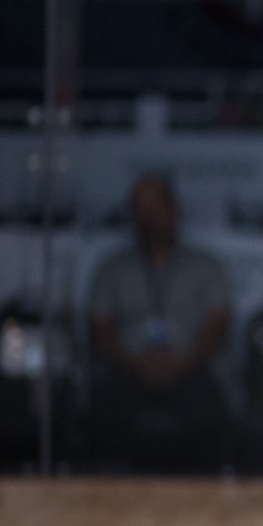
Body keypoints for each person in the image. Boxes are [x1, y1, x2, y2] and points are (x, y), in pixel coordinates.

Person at [86, 174, 232, 469]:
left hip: (189, 368)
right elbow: (100, 330)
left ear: (174, 210)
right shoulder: (113, 268)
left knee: (209, 408)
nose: (148, 216)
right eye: (140, 208)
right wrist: (137, 363)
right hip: (129, 369)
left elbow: (218, 327)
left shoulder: (205, 266)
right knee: (102, 410)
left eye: (156, 206)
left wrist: (180, 363)